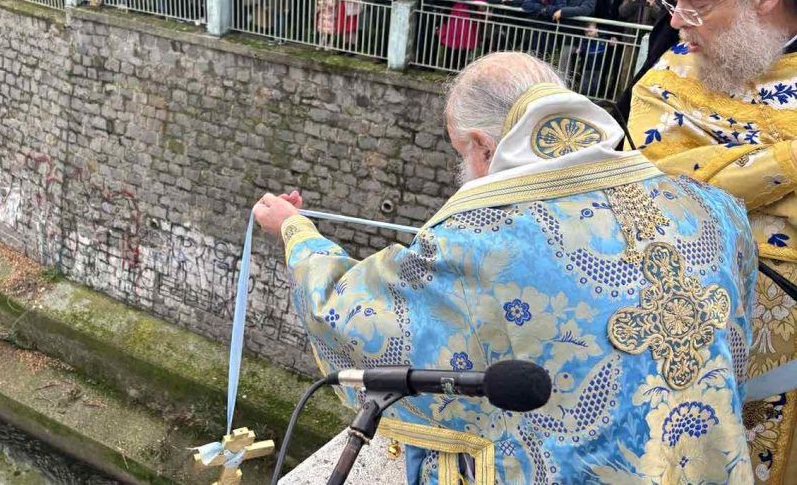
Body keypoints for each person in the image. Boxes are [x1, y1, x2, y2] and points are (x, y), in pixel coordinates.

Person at [256, 51, 756, 485]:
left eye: (460, 153)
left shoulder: (479, 244)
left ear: (484, 146)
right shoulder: (715, 209)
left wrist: (295, 230)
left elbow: (345, 311)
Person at [626, 0, 797, 481]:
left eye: (696, 5)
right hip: (694, 359)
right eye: (674, 2)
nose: (677, 22)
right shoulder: (668, 80)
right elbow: (662, 186)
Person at [438, 0, 487, 69]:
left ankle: (460, 67)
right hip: (455, 13)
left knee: (465, 41)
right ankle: (448, 66)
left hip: (469, 15)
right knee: (452, 40)